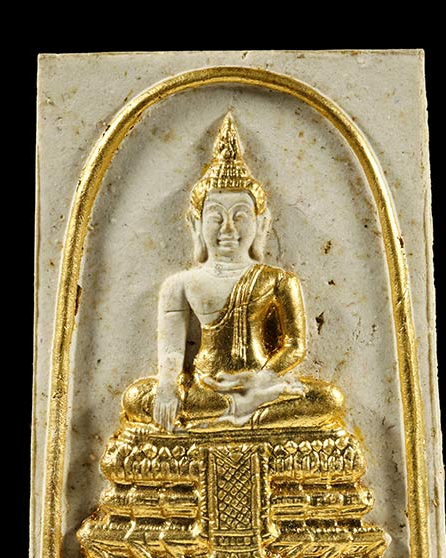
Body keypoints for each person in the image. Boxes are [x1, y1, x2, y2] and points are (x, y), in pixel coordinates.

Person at [123, 113, 344, 432]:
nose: (228, 229)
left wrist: (260, 379)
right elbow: (171, 349)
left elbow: (294, 346)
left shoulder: (278, 280)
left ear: (261, 224)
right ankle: (242, 417)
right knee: (136, 398)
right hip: (206, 388)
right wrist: (168, 389)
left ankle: (228, 417)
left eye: (240, 216)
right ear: (196, 224)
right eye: (216, 217)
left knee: (329, 399)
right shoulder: (180, 284)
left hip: (261, 385)